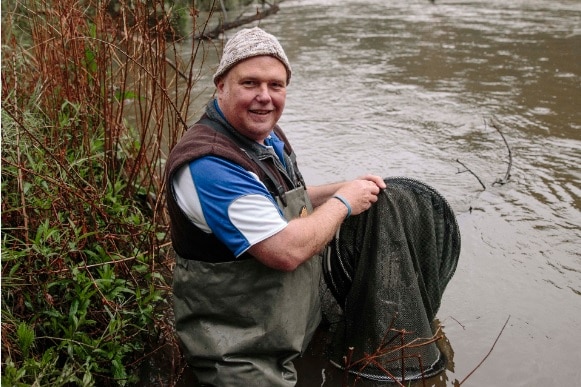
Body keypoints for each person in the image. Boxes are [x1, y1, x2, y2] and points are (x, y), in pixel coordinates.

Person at [165, 26, 386, 386]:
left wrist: (341, 188)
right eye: (250, 83)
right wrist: (345, 203)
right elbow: (285, 250)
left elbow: (278, 203)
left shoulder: (265, 133)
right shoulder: (209, 164)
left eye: (276, 85)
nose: (264, 97)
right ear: (221, 86)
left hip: (284, 328)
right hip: (238, 348)